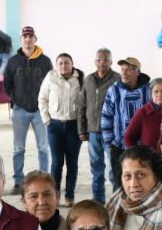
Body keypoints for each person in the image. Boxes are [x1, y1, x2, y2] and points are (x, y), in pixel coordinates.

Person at [4, 26, 53, 186]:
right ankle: (18, 181)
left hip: (40, 110)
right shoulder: (13, 62)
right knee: (18, 148)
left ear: (35, 39)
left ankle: (45, 178)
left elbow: (51, 83)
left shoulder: (45, 61)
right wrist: (16, 100)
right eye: (25, 36)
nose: (28, 39)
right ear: (21, 40)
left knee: (43, 148)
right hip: (20, 110)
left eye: (30, 36)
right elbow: (7, 84)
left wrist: (46, 104)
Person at [39, 52, 84, 204]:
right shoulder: (51, 77)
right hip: (55, 126)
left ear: (72, 64)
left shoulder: (80, 79)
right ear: (56, 65)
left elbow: (85, 103)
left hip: (73, 126)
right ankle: (55, 194)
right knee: (57, 163)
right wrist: (47, 120)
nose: (63, 66)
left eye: (66, 62)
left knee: (72, 162)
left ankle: (69, 195)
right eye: (60, 63)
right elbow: (42, 99)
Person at [101, 57, 150, 192]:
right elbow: (106, 116)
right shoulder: (114, 90)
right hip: (119, 146)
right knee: (120, 181)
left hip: (143, 146)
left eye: (128, 70)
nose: (124, 73)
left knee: (143, 179)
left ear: (137, 72)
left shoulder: (149, 90)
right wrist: (109, 142)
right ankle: (119, 209)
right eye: (122, 69)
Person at [81, 49, 119, 202]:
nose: (102, 62)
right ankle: (98, 199)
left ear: (111, 61)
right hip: (93, 133)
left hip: (111, 133)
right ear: (95, 61)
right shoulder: (88, 80)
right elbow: (82, 106)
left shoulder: (117, 80)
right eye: (99, 59)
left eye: (105, 59)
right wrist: (81, 129)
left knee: (115, 169)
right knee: (96, 169)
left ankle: (117, 200)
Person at [125, 78, 162, 150]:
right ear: (151, 94)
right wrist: (137, 156)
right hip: (149, 159)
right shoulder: (143, 113)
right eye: (156, 92)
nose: (159, 94)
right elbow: (129, 138)